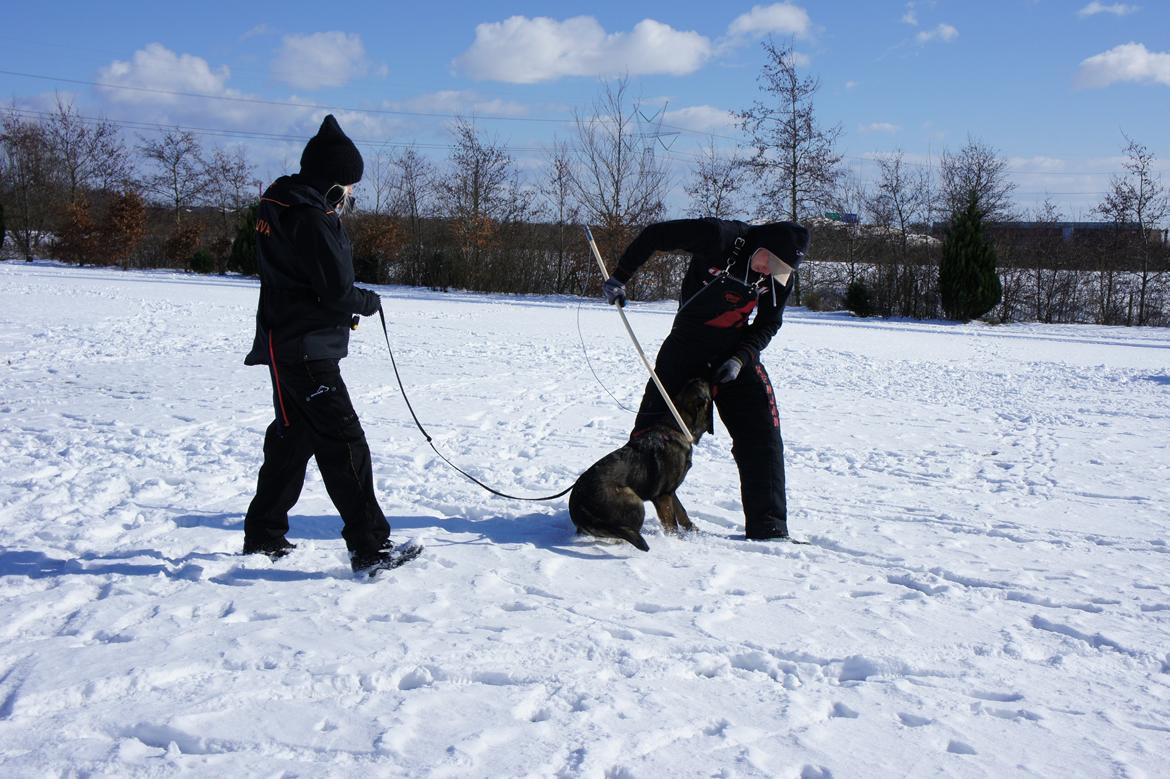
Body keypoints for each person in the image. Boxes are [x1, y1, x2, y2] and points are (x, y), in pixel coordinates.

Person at [241, 114, 400, 575]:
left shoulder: (282, 202)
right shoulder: (310, 215)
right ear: (333, 181)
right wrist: (367, 301)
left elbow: (310, 279)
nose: (351, 195)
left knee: (294, 439)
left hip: (284, 342)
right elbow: (335, 289)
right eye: (348, 186)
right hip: (306, 350)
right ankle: (370, 548)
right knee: (345, 442)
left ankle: (264, 535)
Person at [602, 218, 810, 541]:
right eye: (771, 262)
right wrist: (620, 276)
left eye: (782, 269)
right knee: (648, 434)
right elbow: (655, 234)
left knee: (763, 432)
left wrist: (741, 360)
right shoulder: (719, 237)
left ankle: (769, 528)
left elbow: (769, 324)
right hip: (686, 347)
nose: (771, 272)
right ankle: (615, 506)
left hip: (733, 353)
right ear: (762, 245)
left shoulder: (779, 277)